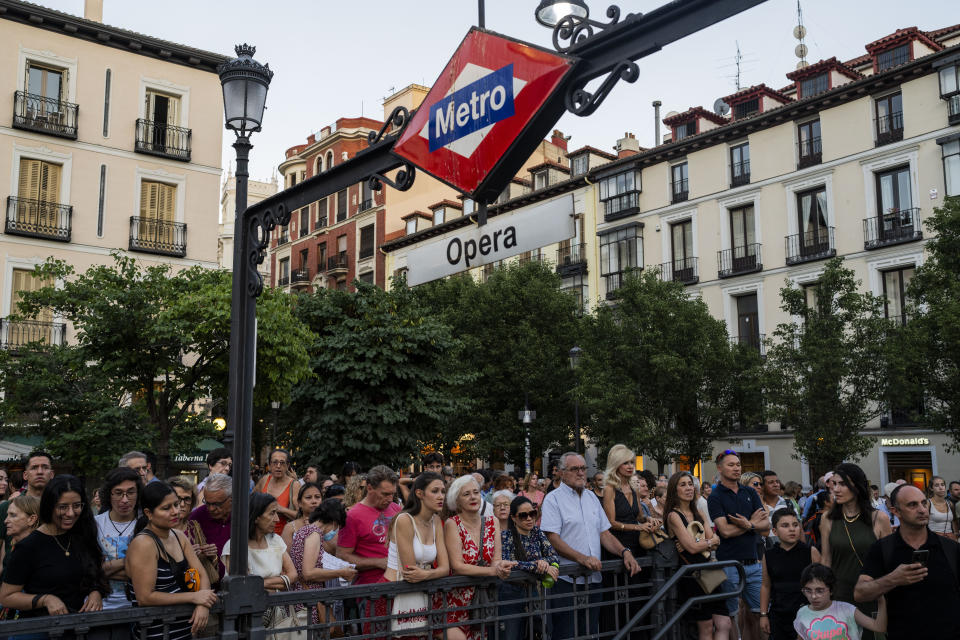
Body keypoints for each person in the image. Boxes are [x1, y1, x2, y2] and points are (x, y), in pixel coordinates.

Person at [541, 452, 640, 639]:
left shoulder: (592, 498)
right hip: (566, 580)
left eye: (583, 468)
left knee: (590, 632)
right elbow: (553, 539)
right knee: (566, 634)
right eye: (574, 469)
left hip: (594, 580)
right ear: (562, 472)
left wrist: (624, 551)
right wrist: (583, 558)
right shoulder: (553, 499)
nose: (580, 473)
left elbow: (604, 533)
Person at [0, 475, 108, 631]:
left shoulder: (82, 536)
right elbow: (7, 597)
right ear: (49, 506)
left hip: (77, 630)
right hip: (39, 630)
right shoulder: (29, 546)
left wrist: (96, 591)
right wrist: (45, 599)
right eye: (63, 507)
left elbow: (95, 573)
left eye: (76, 505)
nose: (70, 513)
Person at [855, 484, 960, 639]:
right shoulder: (883, 549)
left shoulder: (950, 548)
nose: (922, 509)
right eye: (912, 505)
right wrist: (893, 579)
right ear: (895, 511)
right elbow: (860, 593)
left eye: (924, 503)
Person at [126, 481, 216, 639]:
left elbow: (202, 575)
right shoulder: (144, 543)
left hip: (186, 630)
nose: (176, 511)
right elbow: (145, 597)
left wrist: (202, 604)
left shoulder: (179, 536)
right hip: (157, 633)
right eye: (166, 508)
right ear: (148, 513)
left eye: (176, 504)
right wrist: (194, 597)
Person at [819, 463, 890, 640]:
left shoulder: (879, 518)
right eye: (834, 484)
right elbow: (825, 560)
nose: (836, 489)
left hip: (872, 595)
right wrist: (821, 594)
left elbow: (888, 562)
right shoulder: (827, 518)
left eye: (842, 484)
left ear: (857, 486)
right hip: (839, 595)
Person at [707, 450, 768, 640]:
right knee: (731, 616)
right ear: (719, 468)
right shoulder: (715, 496)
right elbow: (724, 531)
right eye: (731, 465)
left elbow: (765, 526)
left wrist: (747, 524)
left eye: (738, 465)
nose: (736, 468)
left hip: (754, 564)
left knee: (762, 614)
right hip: (729, 565)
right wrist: (752, 524)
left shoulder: (749, 491)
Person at [444, 474, 515, 640]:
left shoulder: (492, 522)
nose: (473, 497)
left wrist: (499, 566)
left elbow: (496, 559)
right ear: (457, 500)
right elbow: (458, 566)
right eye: (466, 494)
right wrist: (493, 572)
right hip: (457, 599)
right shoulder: (452, 524)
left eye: (476, 492)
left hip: (483, 598)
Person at [664, 471, 730, 640]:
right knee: (706, 627)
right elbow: (693, 548)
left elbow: (716, 540)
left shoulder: (699, 512)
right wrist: (706, 543)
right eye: (683, 484)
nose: (689, 488)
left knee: (724, 623)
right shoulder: (673, 515)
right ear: (674, 490)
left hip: (709, 571)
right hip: (693, 575)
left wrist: (703, 543)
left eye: (690, 484)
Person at [223, 493, 299, 633]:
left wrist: (259, 583)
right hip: (246, 614)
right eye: (272, 513)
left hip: (276, 612)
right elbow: (242, 585)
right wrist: (280, 581)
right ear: (256, 516)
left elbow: (293, 575)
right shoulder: (235, 545)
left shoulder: (276, 540)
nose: (277, 519)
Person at [384, 472, 450, 632]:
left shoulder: (435, 520)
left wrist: (426, 574)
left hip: (422, 592)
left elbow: (445, 568)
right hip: (394, 594)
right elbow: (410, 571)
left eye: (443, 491)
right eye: (435, 491)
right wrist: (432, 573)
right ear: (419, 493)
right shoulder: (405, 520)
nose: (441, 496)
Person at [600, 445, 654, 639]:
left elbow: (638, 516)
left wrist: (649, 520)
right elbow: (611, 523)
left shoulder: (633, 487)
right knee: (620, 599)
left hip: (638, 546)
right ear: (616, 465)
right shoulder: (609, 489)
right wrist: (637, 527)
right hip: (617, 546)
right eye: (625, 463)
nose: (630, 466)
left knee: (638, 597)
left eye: (632, 462)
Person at [290, 498, 357, 627]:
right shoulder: (314, 534)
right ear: (334, 522)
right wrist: (341, 572)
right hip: (309, 598)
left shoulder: (305, 530)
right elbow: (308, 573)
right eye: (338, 527)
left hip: (302, 594)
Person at [500, 495, 559, 640]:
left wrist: (543, 562)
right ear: (513, 518)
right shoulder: (505, 536)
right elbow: (510, 563)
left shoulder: (537, 533)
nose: (529, 518)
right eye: (523, 515)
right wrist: (537, 565)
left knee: (538, 632)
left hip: (533, 591)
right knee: (511, 635)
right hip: (510, 592)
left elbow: (554, 556)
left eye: (533, 514)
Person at [759, 509, 820, 640]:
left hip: (807, 614)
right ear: (774, 531)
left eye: (795, 525)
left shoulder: (810, 552)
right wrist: (763, 615)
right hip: (778, 615)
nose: (792, 529)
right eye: (785, 526)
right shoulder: (769, 555)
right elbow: (765, 586)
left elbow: (824, 585)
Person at [795, 563, 886, 640]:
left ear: (831, 590)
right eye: (808, 590)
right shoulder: (802, 613)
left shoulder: (846, 610)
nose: (813, 596)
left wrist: (881, 600)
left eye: (819, 591)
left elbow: (879, 627)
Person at [95, 467, 141, 610]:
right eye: (118, 493)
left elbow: (149, 573)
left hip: (137, 606)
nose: (125, 500)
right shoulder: (95, 524)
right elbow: (91, 571)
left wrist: (105, 570)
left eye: (131, 492)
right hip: (101, 606)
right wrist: (129, 562)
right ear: (109, 494)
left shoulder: (146, 524)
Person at [0, 452, 54, 562]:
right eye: (34, 468)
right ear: (25, 475)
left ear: (52, 474)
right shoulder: (7, 507)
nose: (40, 472)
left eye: (45, 467)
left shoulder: (59, 509)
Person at [185, 472, 232, 586]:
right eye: (207, 503)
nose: (211, 509)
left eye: (217, 504)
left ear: (232, 499)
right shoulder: (197, 517)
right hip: (207, 588)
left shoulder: (245, 517)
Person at [254, 449, 300, 536]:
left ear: (287, 466)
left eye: (282, 463)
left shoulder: (294, 485)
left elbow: (301, 516)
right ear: (270, 465)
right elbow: (251, 502)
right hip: (261, 535)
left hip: (283, 537)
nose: (278, 466)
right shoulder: (264, 480)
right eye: (275, 462)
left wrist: (282, 509)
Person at [0, 495, 39, 581]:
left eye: (13, 515)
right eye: (7, 515)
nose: (5, 521)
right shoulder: (12, 541)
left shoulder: (38, 551)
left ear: (32, 519)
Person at [282, 482, 324, 548]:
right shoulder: (290, 528)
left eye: (317, 497)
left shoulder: (328, 524)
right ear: (300, 503)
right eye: (308, 497)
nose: (314, 501)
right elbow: (286, 556)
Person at [926, 475, 956, 540]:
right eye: (936, 485)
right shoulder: (928, 503)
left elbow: (954, 521)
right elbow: (923, 524)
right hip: (934, 538)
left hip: (950, 539)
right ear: (931, 488)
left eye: (942, 485)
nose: (940, 487)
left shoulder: (950, 504)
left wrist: (955, 535)